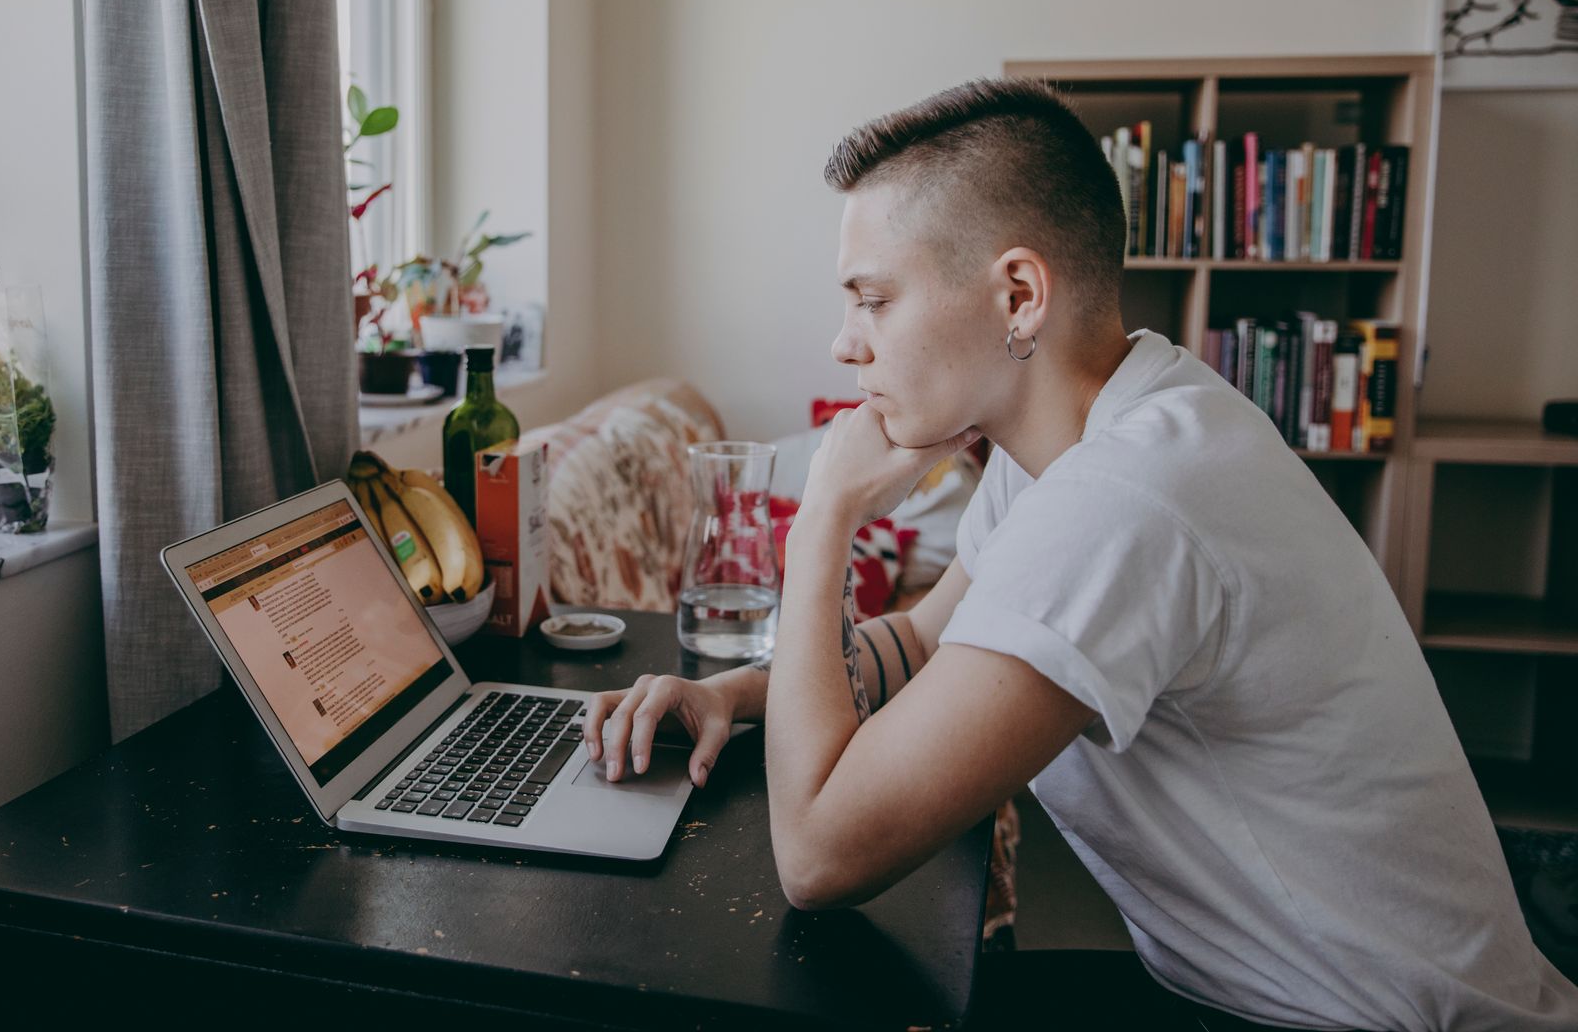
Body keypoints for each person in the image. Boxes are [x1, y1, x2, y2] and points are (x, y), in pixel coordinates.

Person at [580, 79, 1578, 1031]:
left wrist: (818, 524)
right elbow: (926, 643)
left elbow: (818, 852)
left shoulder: (1129, 497)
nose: (845, 341)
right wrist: (733, 696)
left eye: (873, 299)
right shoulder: (1085, 432)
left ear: (1019, 293)